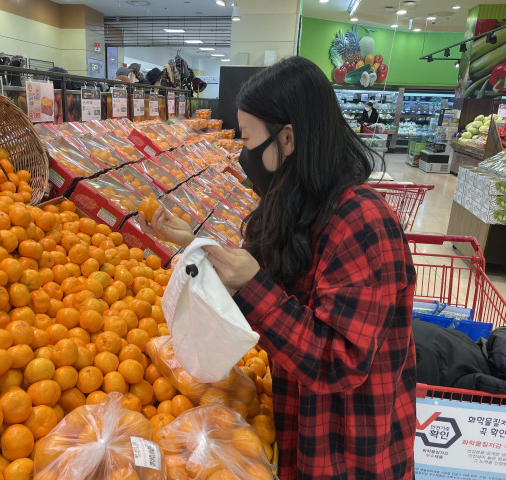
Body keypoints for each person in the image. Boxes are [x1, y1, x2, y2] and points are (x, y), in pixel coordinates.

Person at [139, 56, 416, 480]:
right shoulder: (302, 201)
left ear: (287, 139)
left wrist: (251, 285)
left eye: (248, 139)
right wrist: (194, 242)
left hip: (349, 450)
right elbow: (277, 282)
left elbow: (339, 361)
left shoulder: (362, 222)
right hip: (298, 423)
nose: (241, 152)